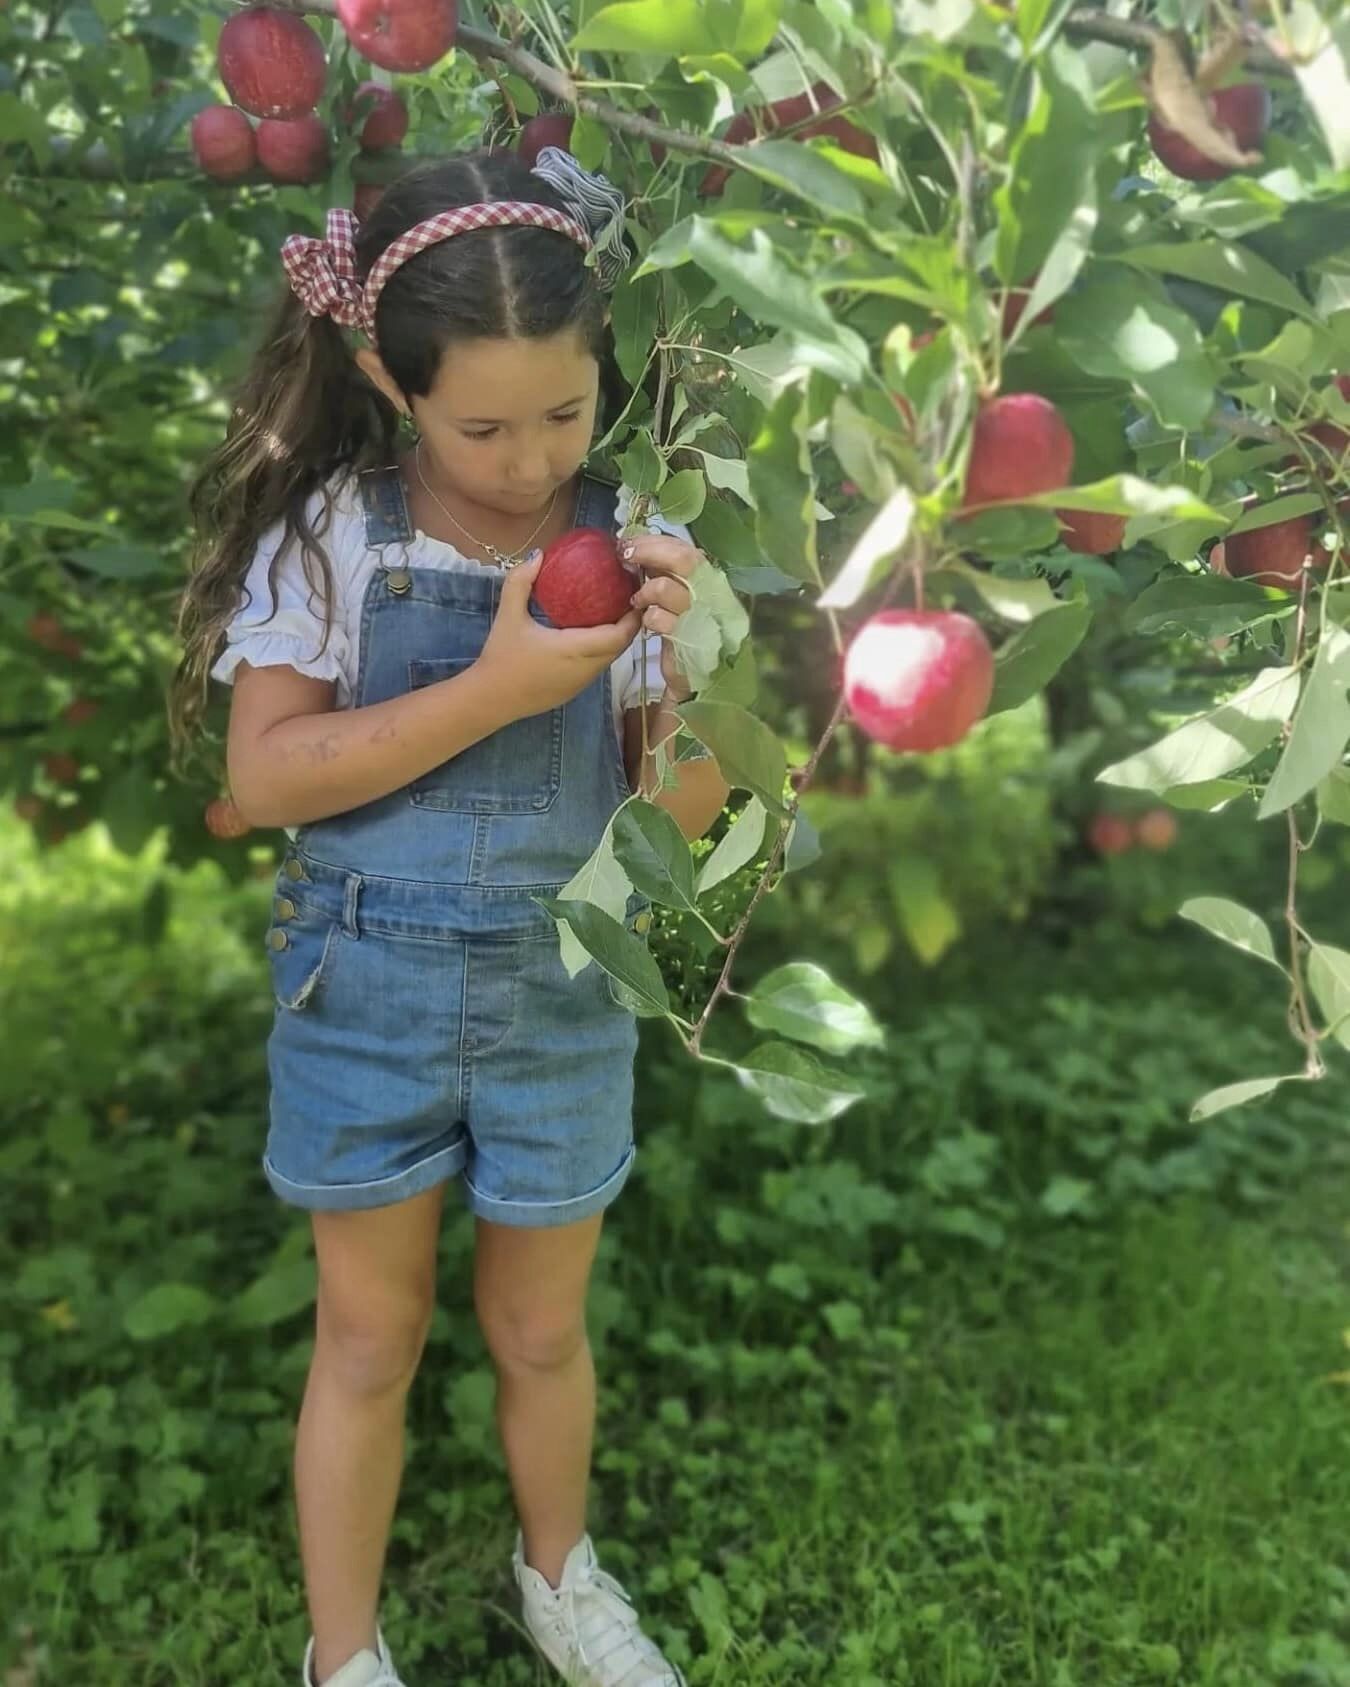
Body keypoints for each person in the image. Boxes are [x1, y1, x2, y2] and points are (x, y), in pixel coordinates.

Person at [169, 145, 731, 1687]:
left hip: (563, 988)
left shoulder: (628, 546)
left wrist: (695, 689)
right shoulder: (336, 535)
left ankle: (561, 1579)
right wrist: (494, 687)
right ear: (388, 378)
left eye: (567, 411)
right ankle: (340, 1656)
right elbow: (269, 776)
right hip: (366, 988)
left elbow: (671, 829)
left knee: (544, 1331)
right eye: (481, 424)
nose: (530, 459)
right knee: (367, 1338)